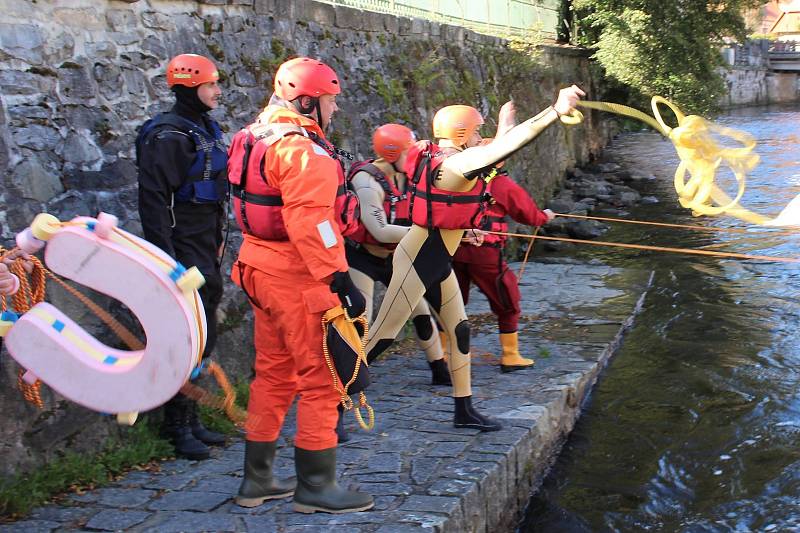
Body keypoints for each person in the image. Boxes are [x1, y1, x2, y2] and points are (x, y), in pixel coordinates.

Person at [364, 86, 585, 432]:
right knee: (383, 335)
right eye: (477, 130)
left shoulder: (437, 155)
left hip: (436, 252)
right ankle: (331, 398)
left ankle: (463, 409)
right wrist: (555, 111)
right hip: (422, 255)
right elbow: (505, 147)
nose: (481, 137)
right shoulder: (457, 163)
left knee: (460, 328)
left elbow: (444, 206)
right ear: (463, 134)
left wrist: (464, 230)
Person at [229, 57, 373, 514]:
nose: (333, 110)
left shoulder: (252, 135)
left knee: (273, 374)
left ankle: (258, 480)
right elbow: (311, 222)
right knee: (324, 379)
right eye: (330, 100)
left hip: (256, 265)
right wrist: (339, 276)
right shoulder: (302, 150)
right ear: (308, 100)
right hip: (298, 277)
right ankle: (316, 485)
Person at [135, 53, 228, 461]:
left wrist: (219, 239)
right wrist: (165, 260)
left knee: (203, 332)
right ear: (190, 88)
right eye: (211, 85)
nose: (218, 91)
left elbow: (215, 190)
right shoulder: (167, 136)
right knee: (184, 333)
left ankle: (191, 418)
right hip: (182, 248)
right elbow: (154, 201)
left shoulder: (203, 128)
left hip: (205, 244)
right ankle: (176, 424)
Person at [446, 102, 556, 372]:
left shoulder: (448, 170)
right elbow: (528, 213)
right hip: (484, 250)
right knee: (507, 299)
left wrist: (504, 122)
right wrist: (545, 217)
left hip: (450, 247)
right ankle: (510, 355)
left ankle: (446, 356)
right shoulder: (500, 183)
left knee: (451, 301)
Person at [346, 124, 450, 387]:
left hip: (396, 257)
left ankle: (440, 370)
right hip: (363, 257)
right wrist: (427, 235)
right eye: (409, 153)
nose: (415, 159)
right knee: (361, 319)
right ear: (392, 154)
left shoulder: (409, 175)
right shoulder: (366, 181)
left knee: (421, 312)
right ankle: (349, 377)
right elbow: (379, 230)